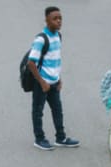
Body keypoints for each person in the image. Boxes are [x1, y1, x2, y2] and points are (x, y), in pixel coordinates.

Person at [27, 6, 79, 151]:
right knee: (38, 111)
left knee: (58, 110)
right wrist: (42, 82)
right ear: (47, 20)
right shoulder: (41, 39)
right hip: (42, 83)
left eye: (60, 18)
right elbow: (31, 63)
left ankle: (60, 138)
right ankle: (39, 138)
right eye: (55, 18)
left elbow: (55, 59)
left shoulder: (58, 36)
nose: (59, 21)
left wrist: (59, 78)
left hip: (54, 82)